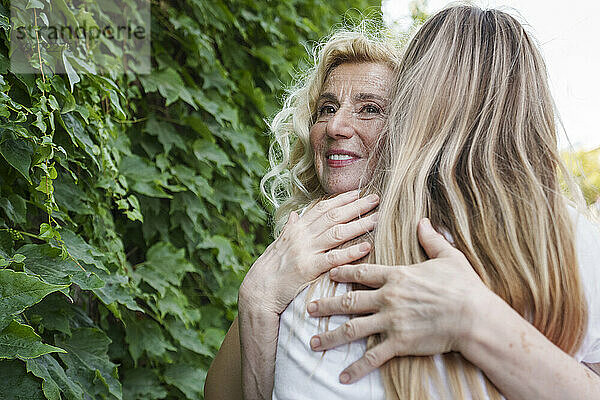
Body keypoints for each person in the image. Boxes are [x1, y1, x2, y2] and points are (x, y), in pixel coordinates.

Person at [205, 5, 600, 399]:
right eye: (326, 109)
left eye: (371, 109)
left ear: (408, 124)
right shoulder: (303, 249)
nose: (337, 126)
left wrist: (476, 319)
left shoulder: (552, 243)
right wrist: (257, 298)